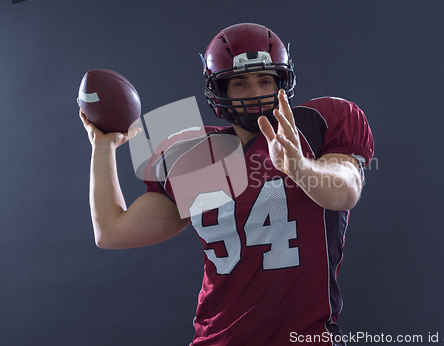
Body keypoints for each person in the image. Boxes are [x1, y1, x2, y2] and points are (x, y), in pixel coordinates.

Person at [80, 23, 374, 346]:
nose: (255, 92)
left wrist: (300, 167)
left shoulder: (314, 127)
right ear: (219, 90)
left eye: (265, 80)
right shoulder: (198, 154)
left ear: (282, 82)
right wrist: (103, 147)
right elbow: (110, 231)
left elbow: (346, 190)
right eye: (240, 83)